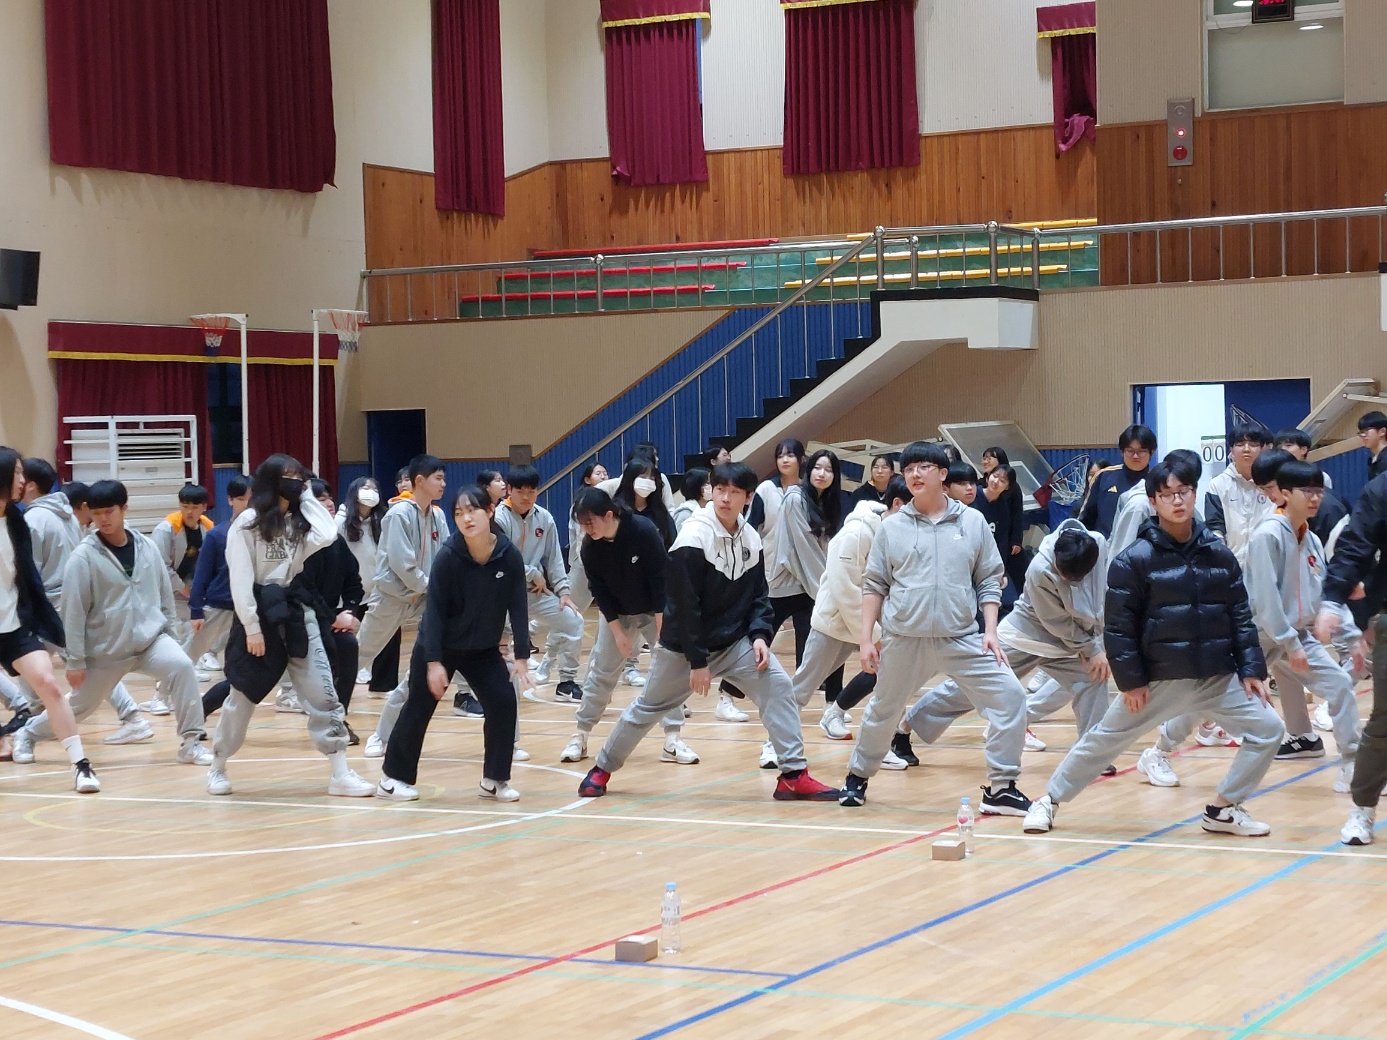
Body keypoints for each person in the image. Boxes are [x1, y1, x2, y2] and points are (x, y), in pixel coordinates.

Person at [1023, 456, 1282, 837]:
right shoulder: (1133, 560)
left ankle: (1224, 808)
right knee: (1103, 740)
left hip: (1216, 675)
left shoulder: (1219, 554)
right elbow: (1119, 627)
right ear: (1153, 501)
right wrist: (1130, 681)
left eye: (1184, 492)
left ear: (1194, 494)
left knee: (1269, 729)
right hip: (1159, 679)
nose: (1177, 500)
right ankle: (1049, 800)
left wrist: (1252, 669)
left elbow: (1239, 615)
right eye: (1167, 494)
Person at [577, 462, 839, 802]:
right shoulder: (693, 536)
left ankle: (793, 774)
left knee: (779, 688)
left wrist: (760, 635)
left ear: (748, 498)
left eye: (734, 492)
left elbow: (759, 595)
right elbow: (684, 605)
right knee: (647, 708)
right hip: (683, 648)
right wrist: (698, 661)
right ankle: (602, 768)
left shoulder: (750, 538)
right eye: (720, 490)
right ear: (711, 492)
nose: (726, 498)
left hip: (734, 643)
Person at [837, 442, 1033, 815]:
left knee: (1011, 697)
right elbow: (874, 585)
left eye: (923, 466)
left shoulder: (972, 522)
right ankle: (857, 776)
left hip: (961, 638)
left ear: (942, 474)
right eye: (909, 468)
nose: (914, 474)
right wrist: (865, 640)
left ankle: (1002, 787)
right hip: (904, 640)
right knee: (883, 709)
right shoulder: (891, 527)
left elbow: (990, 580)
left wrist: (991, 631)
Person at [12, 479, 213, 771]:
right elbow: (74, 612)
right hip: (106, 650)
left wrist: (170, 632)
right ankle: (28, 734)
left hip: (150, 641)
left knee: (182, 666)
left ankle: (191, 742)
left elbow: (163, 592)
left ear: (123, 509)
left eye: (109, 511)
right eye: (96, 513)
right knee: (79, 707)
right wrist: (75, 660)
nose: (103, 519)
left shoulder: (146, 546)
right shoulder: (83, 557)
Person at [207, 454, 372, 798]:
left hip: (297, 613)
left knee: (323, 693)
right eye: (290, 477)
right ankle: (218, 765)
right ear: (271, 480)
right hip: (259, 616)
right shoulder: (247, 524)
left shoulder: (301, 522)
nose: (296, 483)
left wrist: (308, 495)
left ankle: (340, 773)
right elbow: (240, 581)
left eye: (300, 477)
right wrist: (252, 628)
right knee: (242, 697)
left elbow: (328, 534)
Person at [902, 519, 1112, 772]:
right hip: (1025, 636)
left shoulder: (1098, 547)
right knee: (967, 689)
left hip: (1070, 640)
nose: (1067, 579)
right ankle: (904, 728)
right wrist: (1091, 648)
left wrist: (1097, 642)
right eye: (1063, 573)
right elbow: (1056, 622)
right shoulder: (1039, 569)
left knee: (1093, 680)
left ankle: (1091, 754)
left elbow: (1100, 597)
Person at [376, 486, 533, 802]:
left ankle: (494, 780)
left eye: (472, 510)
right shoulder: (448, 557)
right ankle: (392, 779)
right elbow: (433, 612)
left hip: (482, 649)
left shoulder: (508, 556)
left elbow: (518, 604)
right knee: (419, 706)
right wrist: (434, 662)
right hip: (440, 645)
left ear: (490, 511)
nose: (466, 518)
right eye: (459, 513)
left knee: (503, 701)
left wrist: (521, 656)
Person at [1242, 460, 1360, 793]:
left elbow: (1321, 593)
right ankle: (1161, 750)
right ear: (1283, 494)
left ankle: (1352, 763)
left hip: (1296, 634)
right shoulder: (1267, 536)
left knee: (1340, 685)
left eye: (1318, 491)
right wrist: (1290, 643)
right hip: (1256, 638)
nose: (1315, 498)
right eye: (1306, 491)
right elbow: (1264, 600)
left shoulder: (1309, 538)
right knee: (1210, 699)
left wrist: (1350, 635)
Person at [560, 488, 698, 766]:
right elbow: (599, 592)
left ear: (608, 515)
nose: (587, 529)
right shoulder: (589, 547)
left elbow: (660, 580)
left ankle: (673, 739)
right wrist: (618, 633)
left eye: (590, 522)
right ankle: (581, 735)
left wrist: (662, 628)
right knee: (601, 672)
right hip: (619, 612)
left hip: (654, 609)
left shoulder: (642, 531)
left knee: (669, 670)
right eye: (582, 524)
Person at [19, 458, 147, 742]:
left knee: (87, 668)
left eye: (19, 476)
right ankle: (36, 713)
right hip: (63, 601)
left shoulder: (34, 519)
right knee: (34, 663)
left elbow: (30, 570)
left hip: (52, 604)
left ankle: (131, 717)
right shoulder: (65, 514)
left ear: (30, 485)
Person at [0, 447, 99, 792]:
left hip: (15, 625)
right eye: (17, 473)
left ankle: (81, 766)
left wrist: (56, 629)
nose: (22, 480)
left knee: (49, 686)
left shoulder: (17, 521)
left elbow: (29, 578)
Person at [788, 476, 910, 749]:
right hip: (834, 622)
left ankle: (888, 745)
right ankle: (775, 743)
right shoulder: (856, 533)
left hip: (866, 625)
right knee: (804, 686)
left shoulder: (895, 534)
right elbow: (845, 587)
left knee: (890, 680)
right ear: (898, 504)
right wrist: (871, 635)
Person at [353, 455, 448, 754]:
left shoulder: (438, 516)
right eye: (438, 478)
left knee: (442, 652)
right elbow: (402, 563)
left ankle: (384, 734)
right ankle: (324, 703)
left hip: (424, 598)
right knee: (360, 653)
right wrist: (431, 585)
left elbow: (445, 555)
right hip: (392, 597)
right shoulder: (398, 514)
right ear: (419, 481)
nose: (444, 484)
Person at [1313, 466, 1387, 844]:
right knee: (1385, 720)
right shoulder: (1382, 489)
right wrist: (1332, 599)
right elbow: (1355, 546)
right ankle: (1363, 808)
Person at [494, 464, 584, 704]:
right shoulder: (498, 518)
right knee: (493, 642)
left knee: (573, 621)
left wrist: (563, 592)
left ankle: (566, 682)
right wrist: (533, 573)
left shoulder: (544, 518)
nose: (526, 497)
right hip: (501, 594)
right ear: (509, 490)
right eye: (520, 491)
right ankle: (477, 692)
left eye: (532, 491)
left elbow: (554, 559)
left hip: (534, 593)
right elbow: (503, 561)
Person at [300, 480, 364, 745]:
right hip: (298, 620)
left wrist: (349, 611)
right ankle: (202, 709)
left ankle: (338, 718)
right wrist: (331, 617)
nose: (328, 504)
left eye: (329, 498)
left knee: (347, 646)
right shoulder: (302, 541)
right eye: (320, 499)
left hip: (326, 620)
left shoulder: (336, 542)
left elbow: (354, 582)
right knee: (249, 680)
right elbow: (303, 589)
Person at [185, 477, 250, 677]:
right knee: (190, 651)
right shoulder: (217, 534)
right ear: (230, 500)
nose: (246, 504)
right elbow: (202, 574)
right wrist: (196, 610)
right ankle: (165, 688)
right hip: (219, 604)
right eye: (241, 499)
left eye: (251, 499)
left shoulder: (261, 535)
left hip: (248, 606)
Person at [338, 477, 394, 689]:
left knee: (388, 636)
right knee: (349, 637)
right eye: (365, 487)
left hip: (378, 589)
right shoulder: (341, 522)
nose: (370, 492)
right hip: (350, 591)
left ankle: (384, 685)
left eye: (374, 488)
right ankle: (344, 678)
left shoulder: (383, 521)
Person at [1205, 423, 1274, 563]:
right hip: (1231, 564)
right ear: (1231, 449)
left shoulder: (1273, 485)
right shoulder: (1218, 485)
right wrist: (1223, 558)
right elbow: (1215, 528)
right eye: (1240, 444)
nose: (1246, 449)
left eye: (1253, 444)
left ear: (1262, 449)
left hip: (1267, 564)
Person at [1078, 424, 1156, 537]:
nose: (1135, 456)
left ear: (1151, 452)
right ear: (1121, 451)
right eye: (1130, 451)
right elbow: (1086, 518)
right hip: (1103, 545)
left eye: (1141, 451)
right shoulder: (1104, 476)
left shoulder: (1157, 481)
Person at [973, 463, 1022, 610]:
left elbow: (1001, 541)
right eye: (995, 476)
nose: (996, 482)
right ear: (988, 476)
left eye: (1002, 481)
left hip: (987, 560)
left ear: (1007, 487)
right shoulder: (973, 496)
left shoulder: (1003, 508)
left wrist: (1000, 571)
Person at [613, 458, 677, 547]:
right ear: (630, 479)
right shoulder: (616, 511)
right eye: (643, 477)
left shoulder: (661, 512)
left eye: (652, 478)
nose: (648, 482)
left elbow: (671, 544)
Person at [671, 468, 711, 534]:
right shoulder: (685, 514)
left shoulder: (709, 509)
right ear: (697, 486)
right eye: (708, 483)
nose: (712, 487)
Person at [1359, 411, 1387, 482]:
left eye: (1366, 431)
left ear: (1382, 431)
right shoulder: (1373, 459)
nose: (1362, 435)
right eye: (1361, 432)